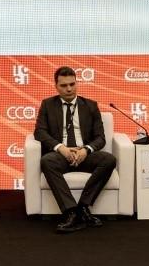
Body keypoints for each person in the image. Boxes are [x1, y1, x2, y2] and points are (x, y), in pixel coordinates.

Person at [34, 66, 117, 233]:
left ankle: (83, 207)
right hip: (61, 155)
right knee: (47, 161)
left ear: (77, 83)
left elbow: (100, 138)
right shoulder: (48, 105)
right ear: (56, 86)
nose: (69, 89)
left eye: (72, 84)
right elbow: (40, 132)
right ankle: (70, 212)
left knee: (109, 160)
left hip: (84, 154)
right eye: (64, 85)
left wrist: (85, 150)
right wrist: (61, 148)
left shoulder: (90, 106)